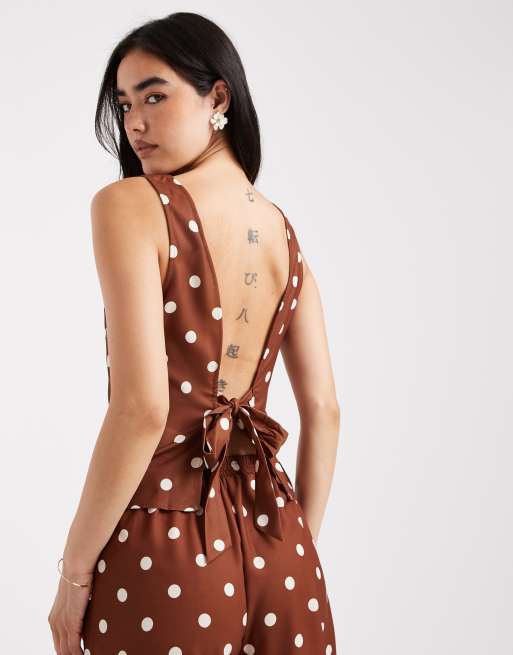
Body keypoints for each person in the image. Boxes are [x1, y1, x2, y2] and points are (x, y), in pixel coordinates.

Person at [48, 11, 340, 655]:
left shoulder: (131, 204)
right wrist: (294, 547)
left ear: (218, 98)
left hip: (166, 549)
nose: (134, 123)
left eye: (154, 96)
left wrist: (74, 575)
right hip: (284, 552)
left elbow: (141, 409)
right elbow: (323, 410)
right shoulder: (284, 233)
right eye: (125, 104)